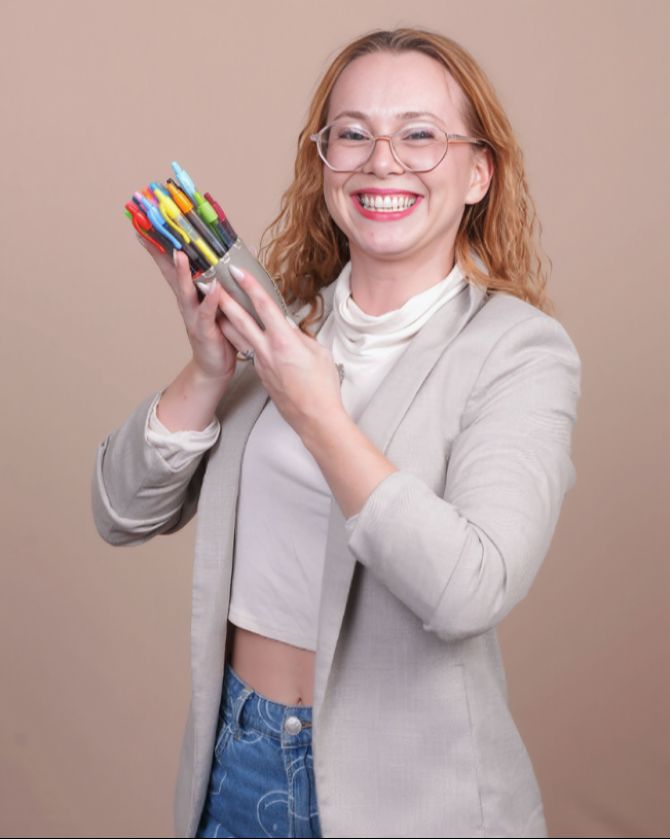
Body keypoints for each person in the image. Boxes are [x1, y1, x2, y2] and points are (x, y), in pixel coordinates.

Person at [91, 27, 582, 839]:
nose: (381, 162)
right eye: (352, 134)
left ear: (479, 173)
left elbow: (469, 590)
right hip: (238, 758)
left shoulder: (521, 351)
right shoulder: (285, 323)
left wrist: (318, 412)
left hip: (415, 794)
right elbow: (119, 512)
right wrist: (208, 371)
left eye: (419, 135)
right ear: (324, 164)